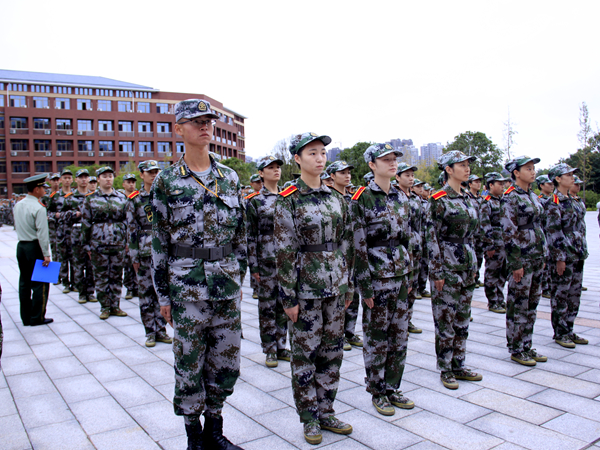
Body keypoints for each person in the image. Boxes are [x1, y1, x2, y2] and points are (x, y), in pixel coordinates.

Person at [151, 99, 246, 450]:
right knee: (189, 361)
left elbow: (241, 236)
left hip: (225, 284)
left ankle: (214, 429)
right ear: (179, 129)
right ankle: (194, 435)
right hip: (186, 287)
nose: (205, 126)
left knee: (226, 359)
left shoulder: (230, 178)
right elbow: (159, 241)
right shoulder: (166, 181)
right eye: (196, 121)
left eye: (208, 121)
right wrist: (163, 296)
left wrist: (239, 279)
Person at [274, 132, 354, 445]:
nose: (320, 158)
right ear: (297, 158)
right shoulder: (289, 199)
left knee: (332, 352)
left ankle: (327, 410)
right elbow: (284, 251)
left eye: (322, 153)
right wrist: (288, 297)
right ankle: (309, 418)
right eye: (312, 153)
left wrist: (348, 285)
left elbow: (345, 242)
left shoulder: (337, 198)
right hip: (305, 289)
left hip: (335, 287)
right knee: (304, 355)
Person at [353, 145, 414, 417]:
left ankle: (393, 386)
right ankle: (377, 390)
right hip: (376, 277)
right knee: (377, 336)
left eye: (394, 159)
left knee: (399, 335)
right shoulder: (362, 198)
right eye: (386, 160)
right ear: (371, 164)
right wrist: (364, 286)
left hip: (400, 275)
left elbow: (406, 239)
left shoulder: (401, 197)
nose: (392, 163)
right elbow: (358, 245)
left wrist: (409, 274)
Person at [425, 151, 481, 390]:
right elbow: (431, 237)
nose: (467, 169)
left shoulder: (467, 198)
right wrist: (437, 271)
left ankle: (459, 363)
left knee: (462, 319)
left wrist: (474, 264)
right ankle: (446, 367)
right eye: (462, 165)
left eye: (468, 164)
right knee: (445, 320)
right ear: (448, 169)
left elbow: (472, 235)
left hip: (467, 265)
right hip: (447, 267)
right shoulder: (438, 199)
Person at [501, 156, 548, 366]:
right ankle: (516, 347)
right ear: (516, 173)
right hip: (522, 257)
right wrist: (516, 262)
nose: (533, 171)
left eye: (533, 168)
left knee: (532, 303)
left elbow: (539, 226)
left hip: (537, 255)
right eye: (528, 168)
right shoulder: (510, 197)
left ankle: (527, 344)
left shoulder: (533, 196)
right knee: (518, 303)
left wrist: (543, 254)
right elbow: (508, 232)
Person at [246, 156, 290, 367]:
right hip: (265, 262)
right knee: (267, 307)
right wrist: (253, 266)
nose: (276, 170)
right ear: (261, 173)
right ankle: (270, 348)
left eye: (278, 167)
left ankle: (281, 345)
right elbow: (250, 236)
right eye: (270, 168)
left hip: (286, 261)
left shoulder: (287, 197)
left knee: (284, 304)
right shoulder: (255, 201)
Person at [126, 161, 171, 348]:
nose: (153, 175)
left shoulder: (165, 195)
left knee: (162, 292)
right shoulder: (135, 199)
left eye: (156, 172)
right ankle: (150, 332)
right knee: (146, 293)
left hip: (164, 252)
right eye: (150, 172)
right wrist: (134, 256)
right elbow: (131, 229)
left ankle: (161, 329)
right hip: (145, 253)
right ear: (141, 174)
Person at [546, 164, 588, 348]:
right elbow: (553, 232)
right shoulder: (554, 202)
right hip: (564, 253)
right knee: (561, 294)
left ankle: (569, 328)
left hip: (577, 253)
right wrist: (559, 258)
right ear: (558, 179)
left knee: (574, 294)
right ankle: (560, 332)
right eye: (568, 175)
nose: (572, 178)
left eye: (572, 174)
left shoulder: (574, 200)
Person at [82, 167, 129, 320]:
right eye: (104, 176)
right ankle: (105, 307)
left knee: (116, 275)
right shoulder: (90, 199)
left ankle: (115, 306)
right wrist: (86, 245)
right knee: (101, 276)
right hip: (99, 243)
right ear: (98, 179)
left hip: (118, 242)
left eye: (110, 176)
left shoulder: (122, 198)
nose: (108, 179)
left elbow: (127, 220)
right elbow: (86, 223)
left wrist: (127, 241)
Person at [327, 160, 363, 350]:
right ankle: (338, 333)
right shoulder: (329, 198)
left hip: (354, 252)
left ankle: (350, 331)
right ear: (332, 176)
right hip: (337, 253)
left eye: (348, 172)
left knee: (353, 294)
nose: (347, 175)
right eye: (342, 172)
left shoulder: (353, 199)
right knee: (339, 294)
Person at [14, 174, 53, 326]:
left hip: (21, 246)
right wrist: (46, 254)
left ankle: (26, 317)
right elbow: (42, 234)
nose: (45, 190)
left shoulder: (18, 205)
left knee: (24, 282)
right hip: (35, 247)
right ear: (37, 189)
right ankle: (37, 317)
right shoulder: (39, 207)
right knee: (41, 284)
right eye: (43, 187)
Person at [396, 163, 423, 334]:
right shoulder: (393, 197)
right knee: (402, 287)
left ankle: (408, 319)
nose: (411, 178)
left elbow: (419, 225)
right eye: (407, 175)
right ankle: (400, 320)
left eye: (412, 175)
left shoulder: (416, 199)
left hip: (416, 247)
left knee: (413, 286)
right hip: (401, 249)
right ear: (397, 177)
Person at [61, 169, 96, 303]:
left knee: (91, 264)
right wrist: (73, 214)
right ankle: (81, 292)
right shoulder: (70, 198)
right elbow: (62, 215)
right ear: (76, 180)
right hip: (76, 233)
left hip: (91, 234)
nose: (83, 180)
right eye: (81, 177)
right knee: (78, 264)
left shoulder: (93, 197)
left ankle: (90, 292)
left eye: (86, 177)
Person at [480, 172, 510, 313]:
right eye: (499, 184)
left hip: (505, 243)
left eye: (503, 184)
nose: (503, 186)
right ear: (491, 185)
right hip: (494, 243)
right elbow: (484, 225)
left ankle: (500, 298)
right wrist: (489, 245)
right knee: (492, 273)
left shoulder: (504, 201)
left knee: (503, 272)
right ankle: (492, 301)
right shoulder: (486, 202)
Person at [48, 169, 75, 293]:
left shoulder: (75, 195)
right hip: (59, 230)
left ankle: (75, 282)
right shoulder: (54, 196)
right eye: (65, 178)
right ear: (61, 180)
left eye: (69, 178)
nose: (67, 180)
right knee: (62, 256)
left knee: (74, 257)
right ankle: (65, 282)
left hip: (73, 230)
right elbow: (49, 212)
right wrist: (56, 216)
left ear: (72, 180)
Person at [121, 173, 140, 300]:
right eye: (128, 182)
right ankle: (129, 287)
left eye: (133, 182)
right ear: (123, 184)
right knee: (127, 263)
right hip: (123, 234)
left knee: (137, 262)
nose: (131, 184)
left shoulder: (138, 197)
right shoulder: (120, 198)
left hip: (135, 235)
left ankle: (137, 286)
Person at [412, 179, 431, 300]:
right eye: (418, 186)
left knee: (424, 263)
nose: (421, 189)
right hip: (415, 238)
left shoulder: (425, 202)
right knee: (415, 264)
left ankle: (422, 287)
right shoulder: (410, 200)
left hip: (425, 237)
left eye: (422, 187)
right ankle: (415, 288)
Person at [536, 174, 554, 299]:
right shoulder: (540, 200)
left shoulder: (553, 199)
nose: (552, 186)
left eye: (552, 184)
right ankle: (545, 287)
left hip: (551, 234)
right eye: (549, 184)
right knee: (545, 262)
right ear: (541, 185)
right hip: (543, 233)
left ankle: (550, 284)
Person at [466, 174, 485, 288]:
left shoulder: (481, 199)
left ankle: (476, 277)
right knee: (472, 255)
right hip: (472, 233)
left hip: (480, 232)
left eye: (479, 182)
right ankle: (472, 277)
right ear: (470, 184)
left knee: (479, 255)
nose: (478, 184)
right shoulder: (467, 198)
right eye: (476, 182)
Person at [41, 173, 60, 261]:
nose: (56, 182)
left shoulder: (63, 194)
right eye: (53, 180)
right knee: (54, 247)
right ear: (50, 182)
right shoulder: (46, 196)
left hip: (62, 225)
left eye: (57, 180)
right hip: (51, 225)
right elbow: (42, 210)